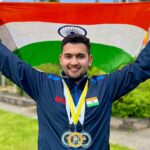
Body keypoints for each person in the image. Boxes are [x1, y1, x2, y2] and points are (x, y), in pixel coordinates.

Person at [0, 33, 150, 150]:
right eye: (68, 56)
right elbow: (8, 62)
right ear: (60, 59)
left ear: (89, 60)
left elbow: (140, 68)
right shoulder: (42, 84)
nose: (74, 62)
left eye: (80, 56)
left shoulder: (106, 86)